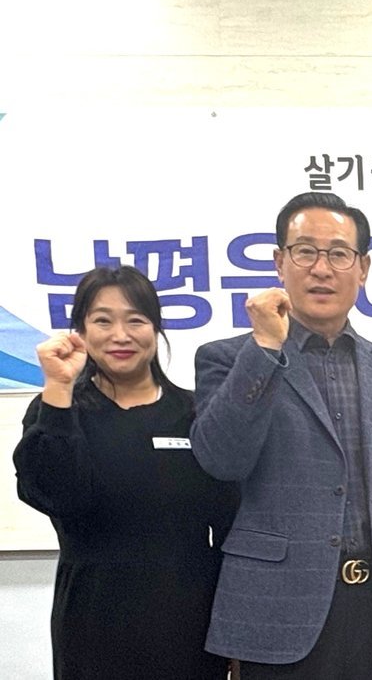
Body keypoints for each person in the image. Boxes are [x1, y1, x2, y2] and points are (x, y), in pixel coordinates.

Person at [190, 192, 372, 679]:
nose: (321, 269)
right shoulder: (228, 359)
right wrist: (265, 346)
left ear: (363, 268)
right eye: (305, 251)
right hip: (275, 612)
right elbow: (220, 460)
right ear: (280, 262)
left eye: (339, 253)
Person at [13, 265, 237, 680]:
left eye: (136, 320)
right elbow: (56, 497)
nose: (120, 335)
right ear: (80, 331)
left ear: (156, 328)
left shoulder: (195, 412)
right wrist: (58, 388)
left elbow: (230, 524)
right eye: (102, 321)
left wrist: (236, 634)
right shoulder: (58, 410)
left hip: (189, 626)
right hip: (92, 624)